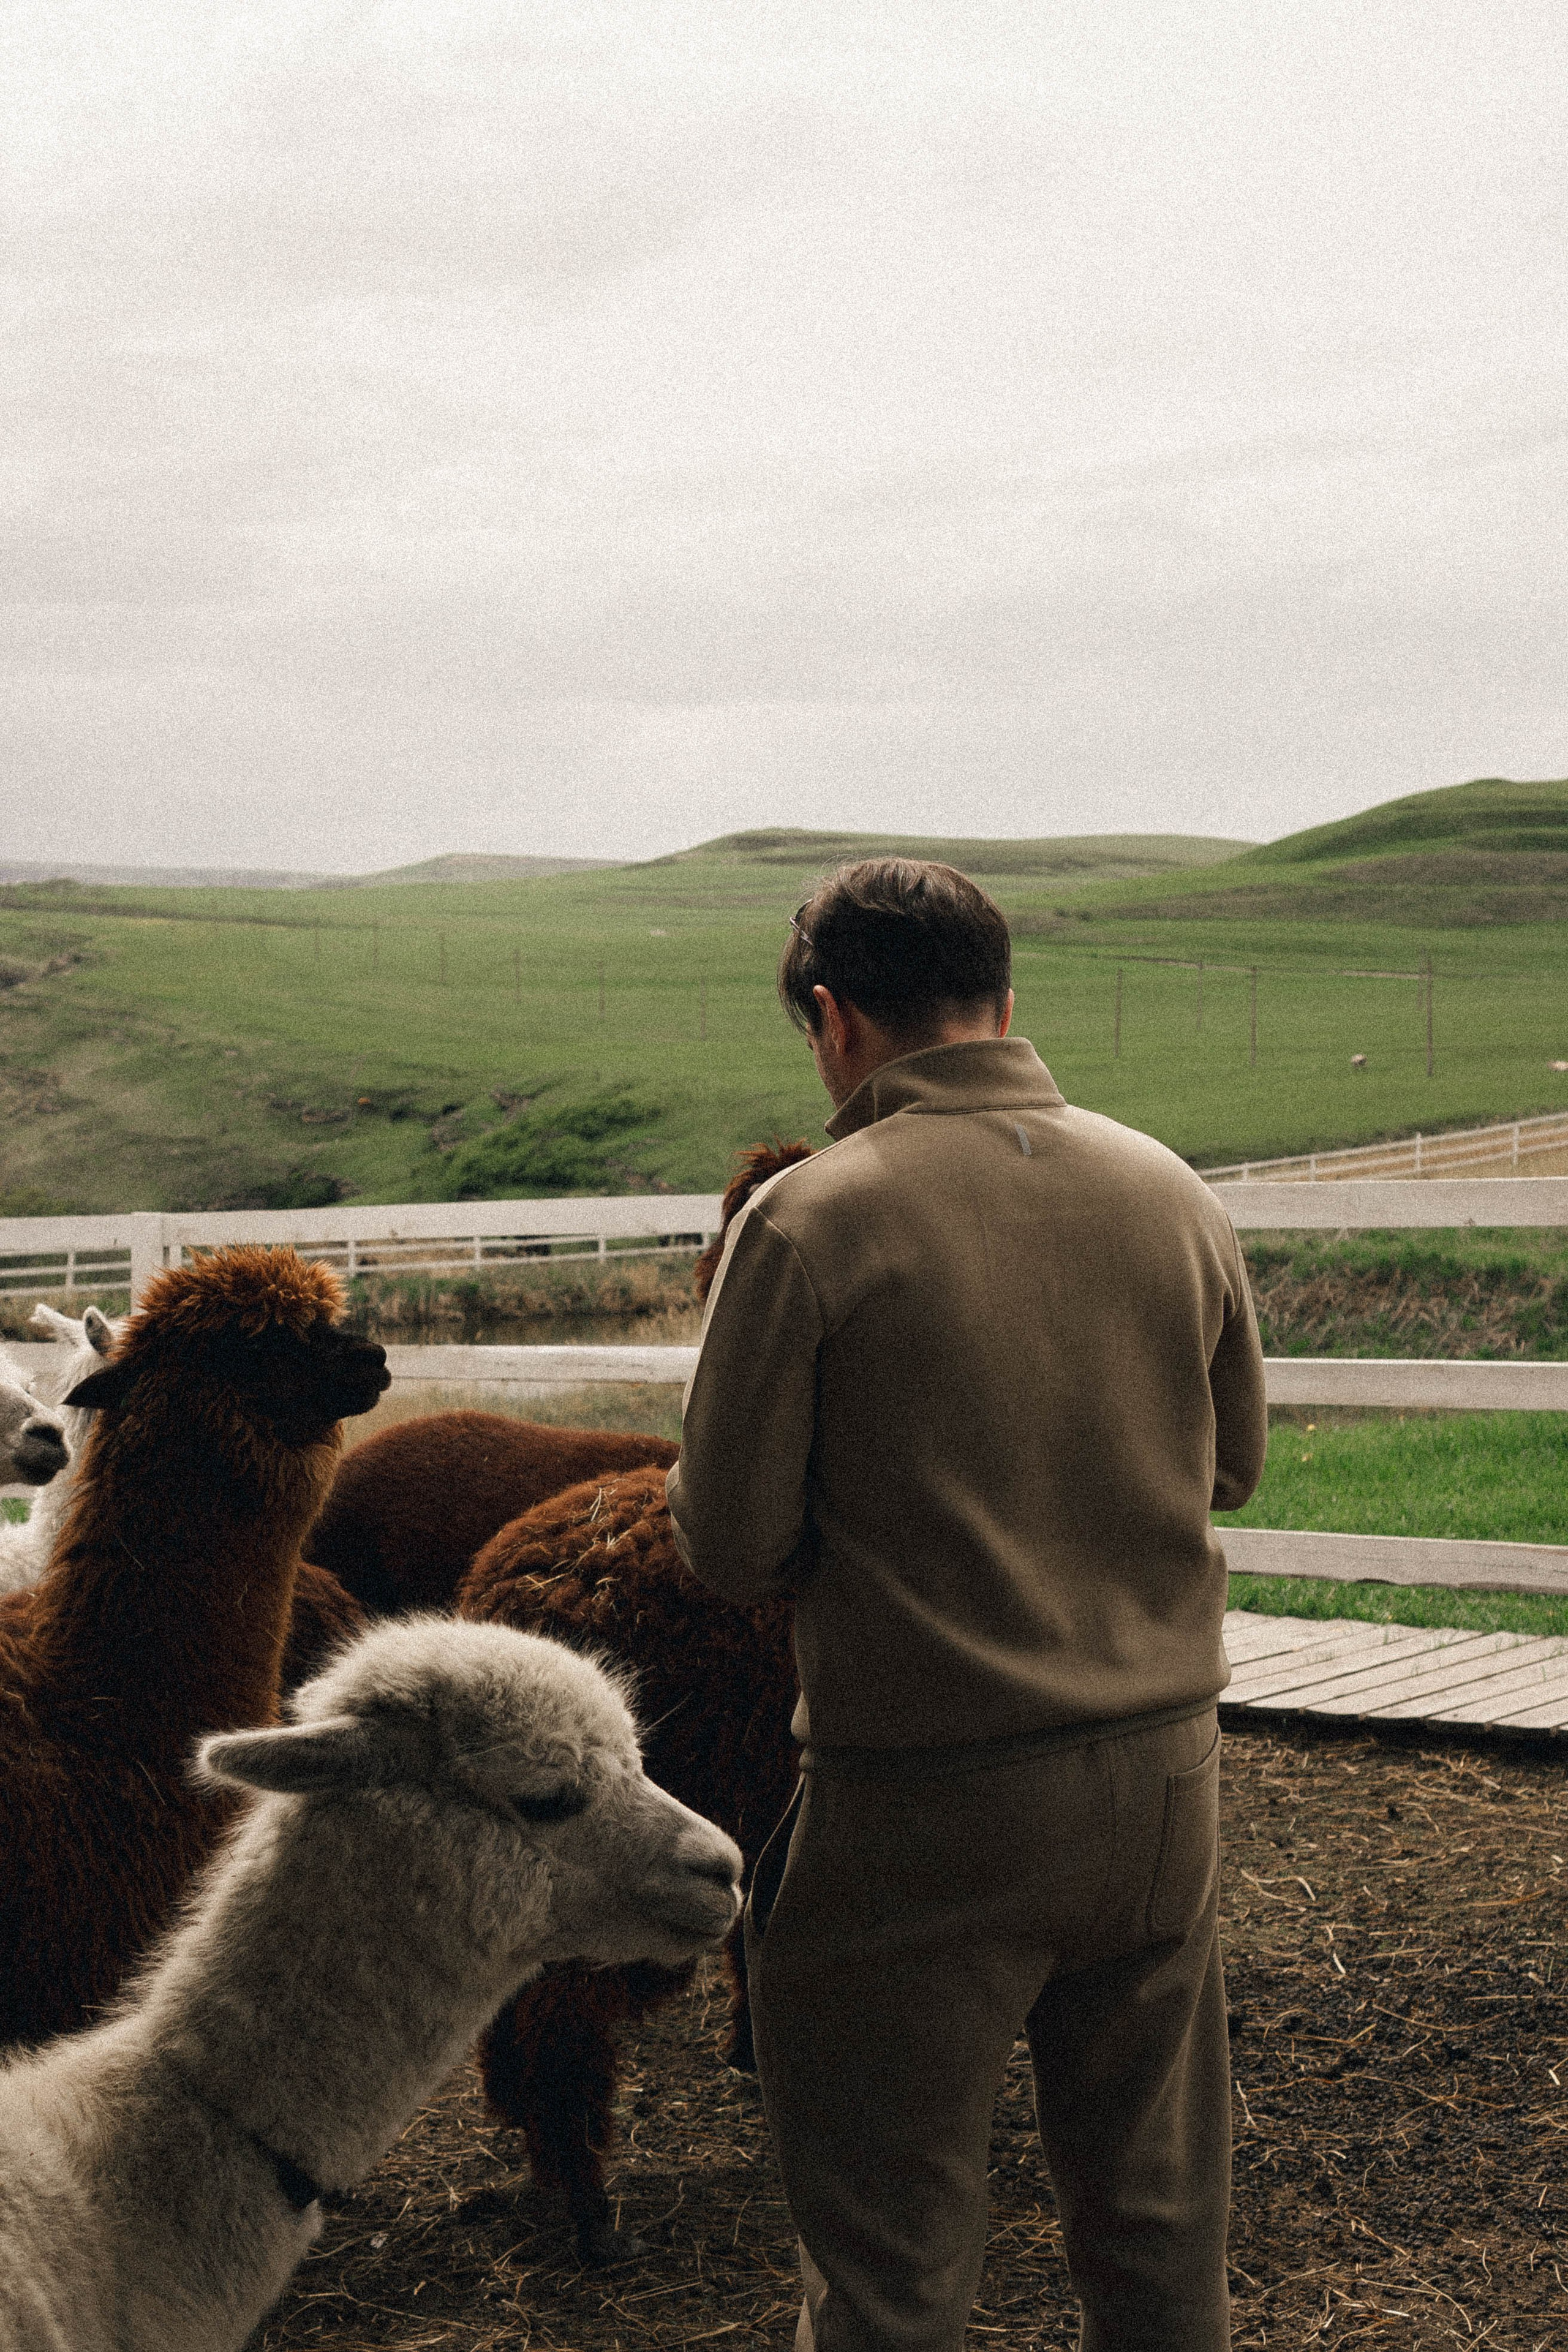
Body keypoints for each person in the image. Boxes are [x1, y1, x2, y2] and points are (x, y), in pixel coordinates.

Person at [665, 858, 1267, 2352]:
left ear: (829, 1018)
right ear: (1005, 995)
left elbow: (729, 1544)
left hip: (921, 1802)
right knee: (1159, 2229)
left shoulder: (810, 1223)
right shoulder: (1168, 1189)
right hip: (1162, 1787)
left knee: (887, 2263)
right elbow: (1234, 1467)